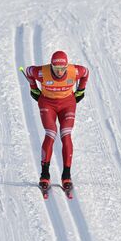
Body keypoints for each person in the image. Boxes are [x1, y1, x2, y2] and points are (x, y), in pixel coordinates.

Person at [25, 50, 89, 192]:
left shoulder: (75, 71)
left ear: (67, 66)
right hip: (47, 103)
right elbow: (29, 71)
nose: (59, 72)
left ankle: (66, 175)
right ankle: (44, 175)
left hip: (67, 104)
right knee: (51, 133)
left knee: (66, 135)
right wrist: (33, 88)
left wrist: (81, 91)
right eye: (56, 69)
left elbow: (86, 73)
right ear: (51, 66)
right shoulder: (42, 72)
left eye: (62, 69)